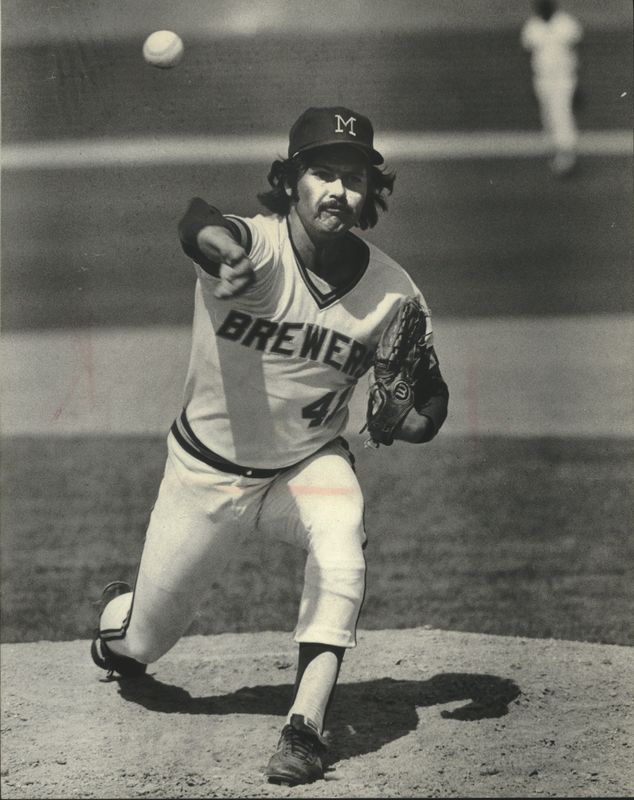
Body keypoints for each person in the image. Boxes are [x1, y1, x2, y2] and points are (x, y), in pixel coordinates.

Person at [90, 105, 449, 786]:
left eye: (353, 177)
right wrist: (222, 256)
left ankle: (305, 728)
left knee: (342, 536)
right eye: (321, 172)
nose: (337, 190)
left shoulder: (395, 294)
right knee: (142, 643)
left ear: (373, 193)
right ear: (290, 181)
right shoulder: (252, 247)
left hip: (304, 466)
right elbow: (200, 222)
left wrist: (407, 419)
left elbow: (430, 404)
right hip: (203, 477)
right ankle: (120, 616)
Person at [520, 0, 583, 175]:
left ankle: (567, 156)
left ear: (553, 6)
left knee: (561, 113)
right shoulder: (532, 27)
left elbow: (577, 50)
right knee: (547, 115)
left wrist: (579, 82)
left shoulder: (566, 23)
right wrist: (531, 82)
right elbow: (528, 54)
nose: (543, 8)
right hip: (542, 78)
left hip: (564, 78)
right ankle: (556, 152)